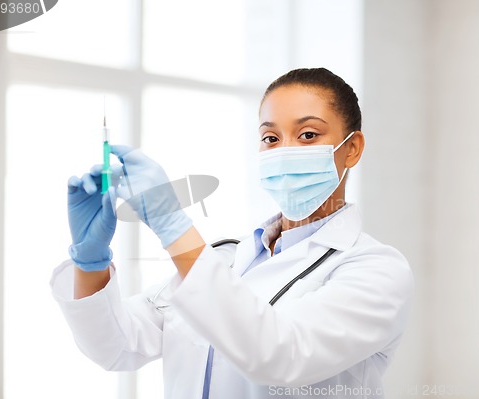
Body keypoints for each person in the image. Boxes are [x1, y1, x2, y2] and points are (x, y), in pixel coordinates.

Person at [51, 68, 413, 399]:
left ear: (351, 148)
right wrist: (90, 261)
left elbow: (281, 355)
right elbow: (117, 345)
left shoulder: (376, 271)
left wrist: (172, 224)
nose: (284, 150)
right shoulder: (225, 257)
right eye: (270, 138)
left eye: (307, 134)